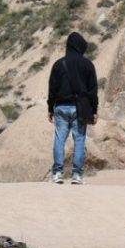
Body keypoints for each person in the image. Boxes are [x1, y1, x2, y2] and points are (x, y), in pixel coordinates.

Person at [47, 31, 98, 185]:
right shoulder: (88, 64)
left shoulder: (58, 64)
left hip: (61, 107)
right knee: (80, 140)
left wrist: (50, 108)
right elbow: (93, 90)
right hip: (80, 108)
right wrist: (94, 110)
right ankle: (77, 175)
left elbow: (52, 88)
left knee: (59, 139)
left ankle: (57, 173)